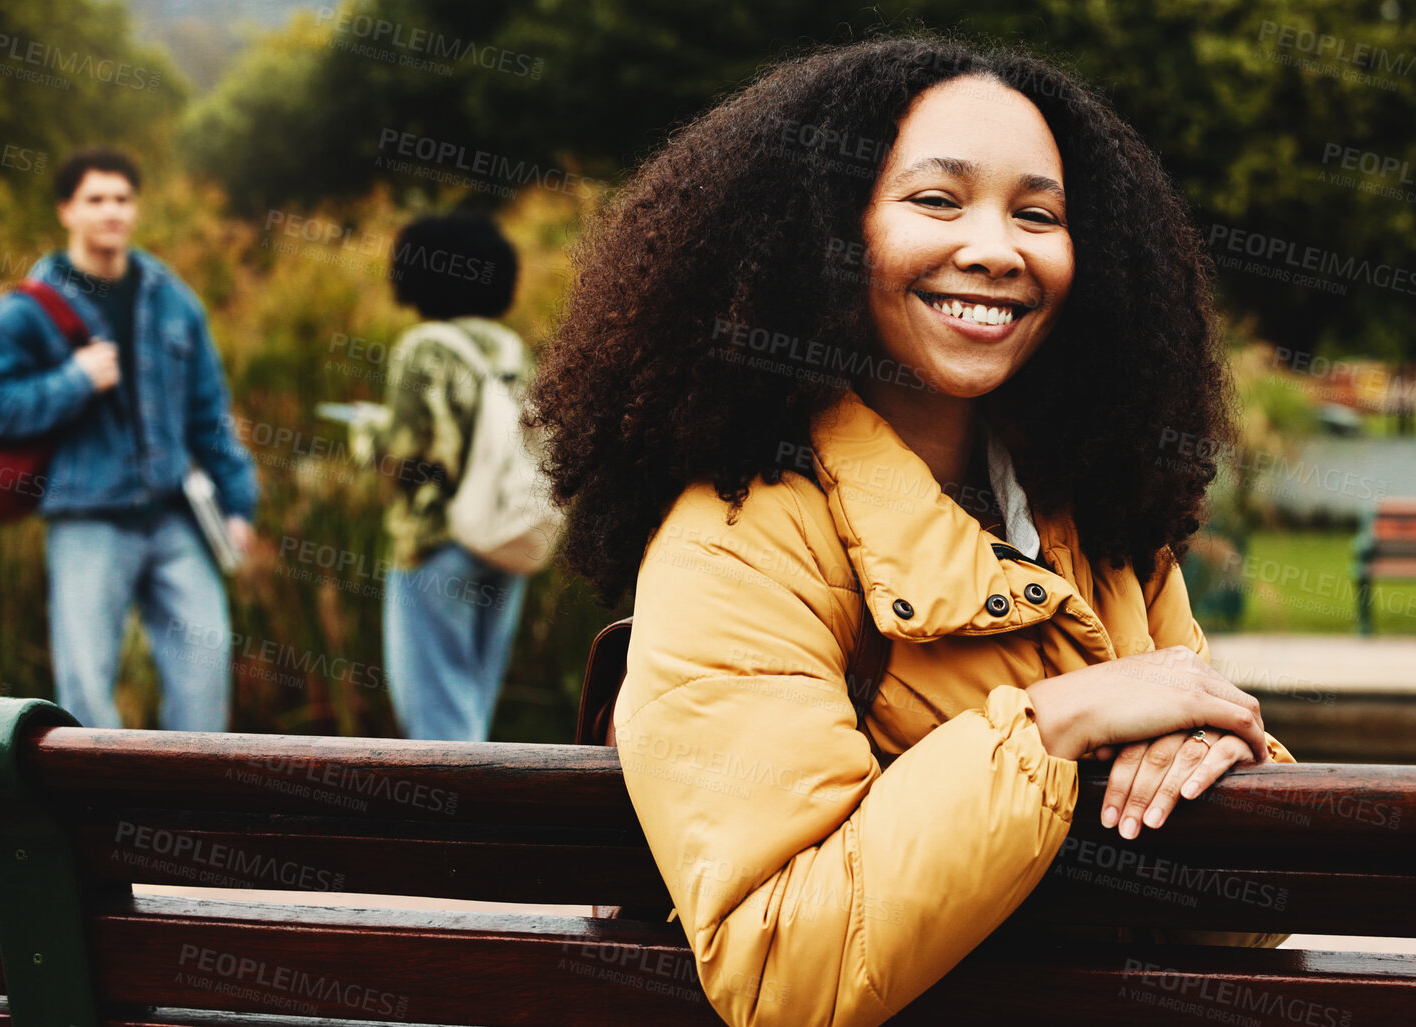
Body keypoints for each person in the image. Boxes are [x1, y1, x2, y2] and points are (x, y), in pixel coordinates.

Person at [526, 37, 1294, 1027]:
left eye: (1038, 214)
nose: (994, 248)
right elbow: (780, 964)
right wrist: (1054, 722)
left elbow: (1241, 916)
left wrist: (1226, 756)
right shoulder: (738, 538)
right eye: (937, 201)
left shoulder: (1105, 519)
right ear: (821, 236)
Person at [0, 148, 258, 730]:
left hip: (174, 516)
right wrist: (73, 382)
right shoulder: (26, 312)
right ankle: (94, 815)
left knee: (205, 667)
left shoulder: (172, 297)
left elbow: (209, 410)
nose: (111, 211)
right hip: (87, 518)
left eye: (122, 199)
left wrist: (238, 501)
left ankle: (190, 807)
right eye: (96, 199)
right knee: (86, 687)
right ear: (67, 210)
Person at [350, 214, 529, 741]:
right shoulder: (508, 347)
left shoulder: (424, 346)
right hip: (505, 538)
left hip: (437, 540)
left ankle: (454, 822)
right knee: (472, 703)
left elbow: (403, 449)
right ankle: (482, 818)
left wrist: (366, 434)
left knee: (435, 716)